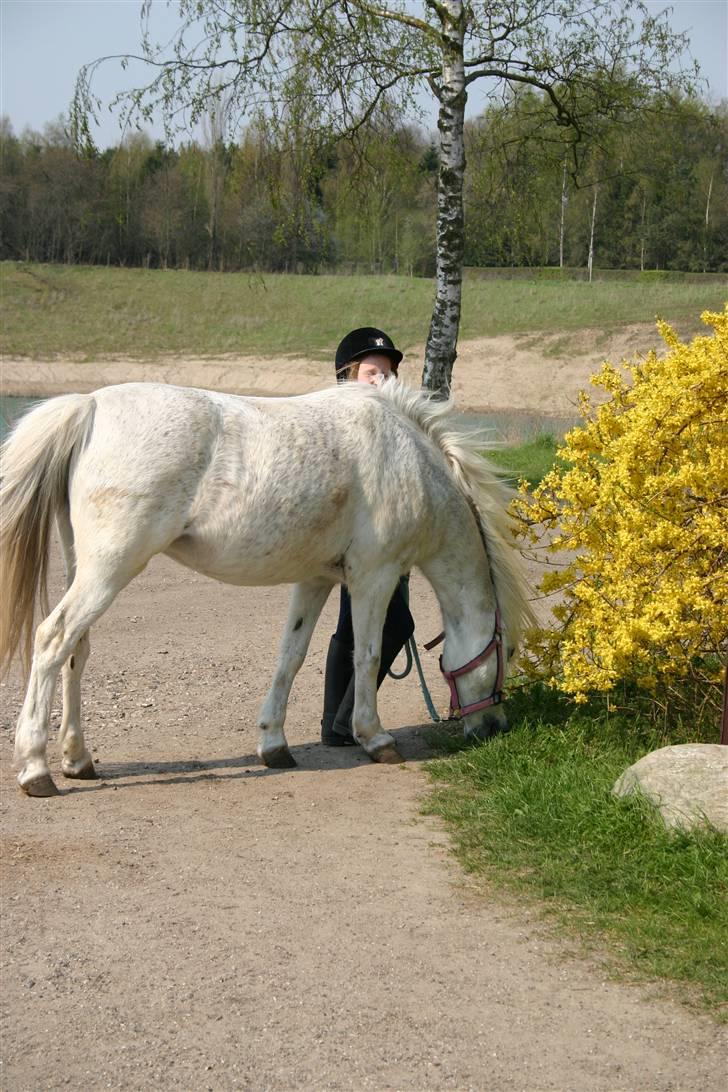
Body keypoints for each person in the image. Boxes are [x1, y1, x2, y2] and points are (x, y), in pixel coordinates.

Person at [321, 328, 415, 746]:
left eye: (388, 374)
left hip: (366, 538)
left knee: (353, 622)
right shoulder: (338, 420)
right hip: (354, 539)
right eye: (372, 372)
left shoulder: (387, 423)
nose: (382, 380)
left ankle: (336, 725)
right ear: (348, 375)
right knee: (396, 622)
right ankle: (345, 721)